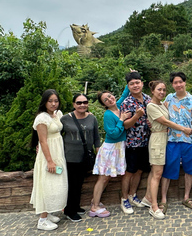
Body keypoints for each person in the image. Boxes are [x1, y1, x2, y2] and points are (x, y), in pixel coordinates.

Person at [145, 80, 192, 219]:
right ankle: (154, 207)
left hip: (165, 138)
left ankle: (148, 199)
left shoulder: (162, 104)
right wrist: (183, 129)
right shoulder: (151, 105)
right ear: (152, 91)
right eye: (159, 90)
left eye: (164, 90)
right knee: (157, 174)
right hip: (157, 140)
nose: (161, 92)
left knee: (158, 172)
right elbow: (165, 122)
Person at [160, 71, 192, 211]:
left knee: (190, 169)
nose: (178, 84)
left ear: (185, 82)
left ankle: (186, 197)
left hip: (189, 140)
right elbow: (161, 115)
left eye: (181, 81)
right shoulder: (168, 98)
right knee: (168, 168)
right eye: (175, 82)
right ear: (172, 85)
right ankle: (163, 199)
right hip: (172, 139)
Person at [30, 89, 68, 231]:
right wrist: (50, 161)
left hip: (58, 152)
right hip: (49, 155)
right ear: (44, 102)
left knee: (56, 184)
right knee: (47, 185)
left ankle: (50, 212)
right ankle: (43, 219)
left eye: (56, 101)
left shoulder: (57, 114)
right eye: (50, 101)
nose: (53, 103)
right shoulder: (42, 118)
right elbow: (43, 141)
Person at [89, 90, 131, 218]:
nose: (109, 99)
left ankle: (94, 201)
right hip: (110, 149)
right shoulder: (108, 115)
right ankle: (95, 207)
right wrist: (122, 120)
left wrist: (131, 77)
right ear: (104, 105)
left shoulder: (118, 105)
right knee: (103, 178)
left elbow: (124, 94)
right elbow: (113, 133)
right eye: (106, 100)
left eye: (109, 96)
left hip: (119, 147)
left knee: (107, 178)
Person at [60, 93, 101, 222]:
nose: (82, 105)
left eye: (84, 102)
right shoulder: (66, 119)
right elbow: (56, 134)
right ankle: (69, 210)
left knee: (79, 183)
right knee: (72, 184)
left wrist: (98, 154)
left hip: (86, 156)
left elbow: (96, 137)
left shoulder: (91, 118)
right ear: (74, 104)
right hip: (70, 156)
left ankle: (76, 206)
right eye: (79, 103)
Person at [119, 72, 152, 214]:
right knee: (129, 172)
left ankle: (133, 195)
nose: (135, 85)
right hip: (133, 143)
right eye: (132, 84)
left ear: (142, 83)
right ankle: (124, 199)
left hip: (147, 141)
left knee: (140, 170)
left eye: (137, 82)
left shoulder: (148, 99)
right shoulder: (127, 102)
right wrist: (137, 116)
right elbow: (125, 125)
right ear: (128, 86)